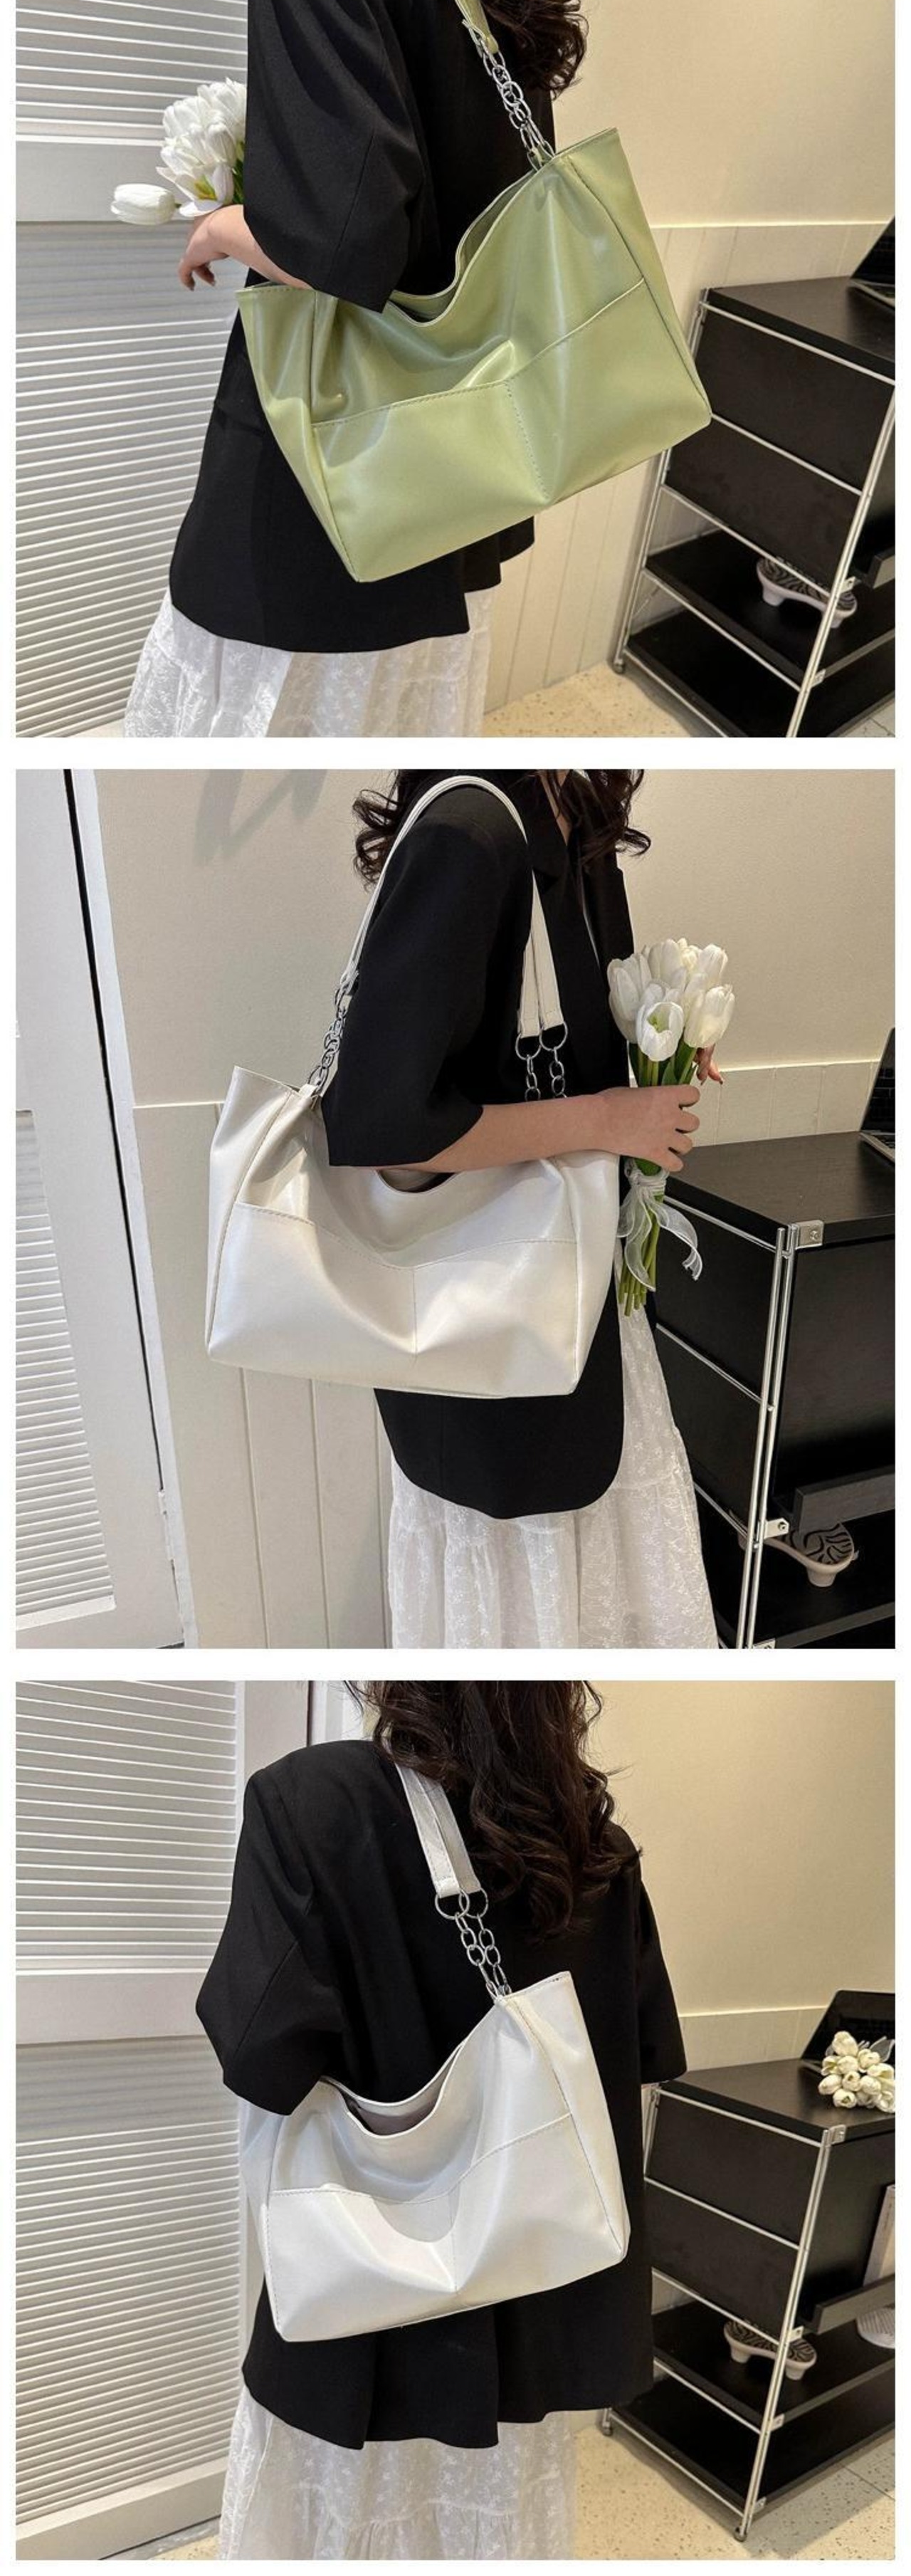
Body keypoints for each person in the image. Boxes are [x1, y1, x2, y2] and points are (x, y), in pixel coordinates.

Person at [199, 1677, 685, 2560]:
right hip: (534, 2313)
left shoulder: (309, 1801)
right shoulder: (597, 1850)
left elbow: (262, 2056)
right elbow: (643, 2052)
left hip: (358, 2336)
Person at [123, 0, 585, 739]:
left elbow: (343, 243)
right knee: (401, 715)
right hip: (466, 449)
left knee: (256, 712)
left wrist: (221, 225)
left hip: (340, 455)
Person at [322, 767, 717, 1645]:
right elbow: (383, 1126)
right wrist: (609, 1119)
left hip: (579, 1316)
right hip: (500, 1345)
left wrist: (657, 1050)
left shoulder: (576, 815)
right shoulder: (470, 834)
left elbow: (566, 1040)